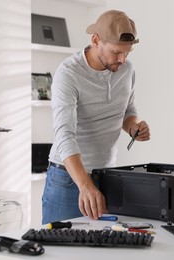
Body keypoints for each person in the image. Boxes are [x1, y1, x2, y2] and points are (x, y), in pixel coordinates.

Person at [42, 10, 151, 224]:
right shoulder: (69, 74)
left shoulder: (127, 69)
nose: (122, 59)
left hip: (107, 176)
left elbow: (128, 111)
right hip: (69, 178)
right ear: (95, 40)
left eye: (127, 53)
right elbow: (64, 134)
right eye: (116, 52)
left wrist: (134, 127)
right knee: (60, 252)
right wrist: (85, 185)